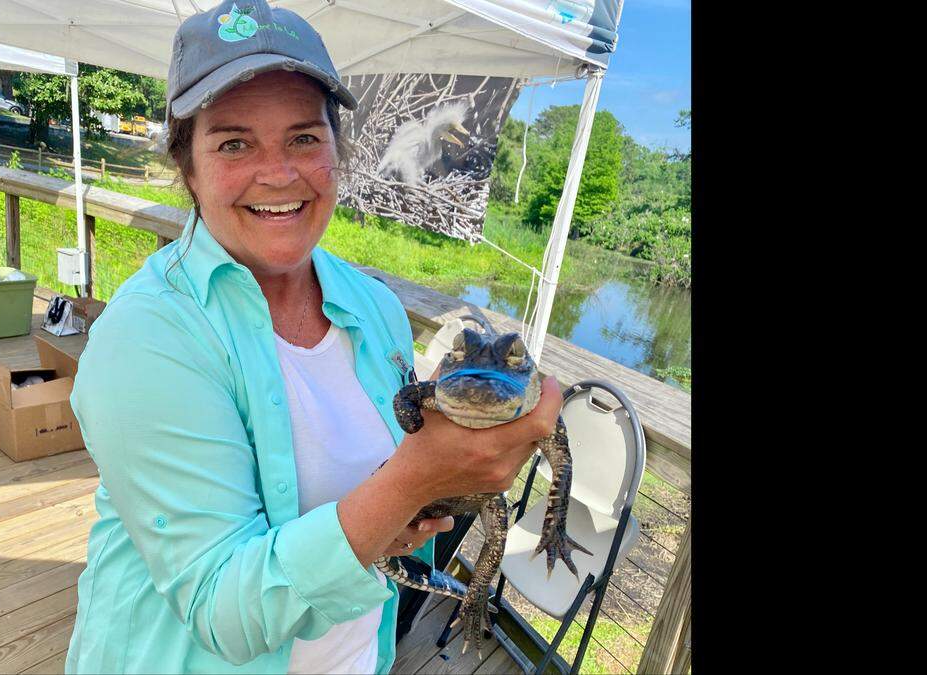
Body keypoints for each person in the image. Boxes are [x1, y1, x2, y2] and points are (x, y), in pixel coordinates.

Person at [63, 2, 563, 673]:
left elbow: (380, 495)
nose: (278, 172)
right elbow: (222, 609)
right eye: (234, 143)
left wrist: (425, 493)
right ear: (189, 168)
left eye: (303, 137)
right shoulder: (146, 336)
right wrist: (411, 482)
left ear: (337, 150)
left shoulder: (375, 306)